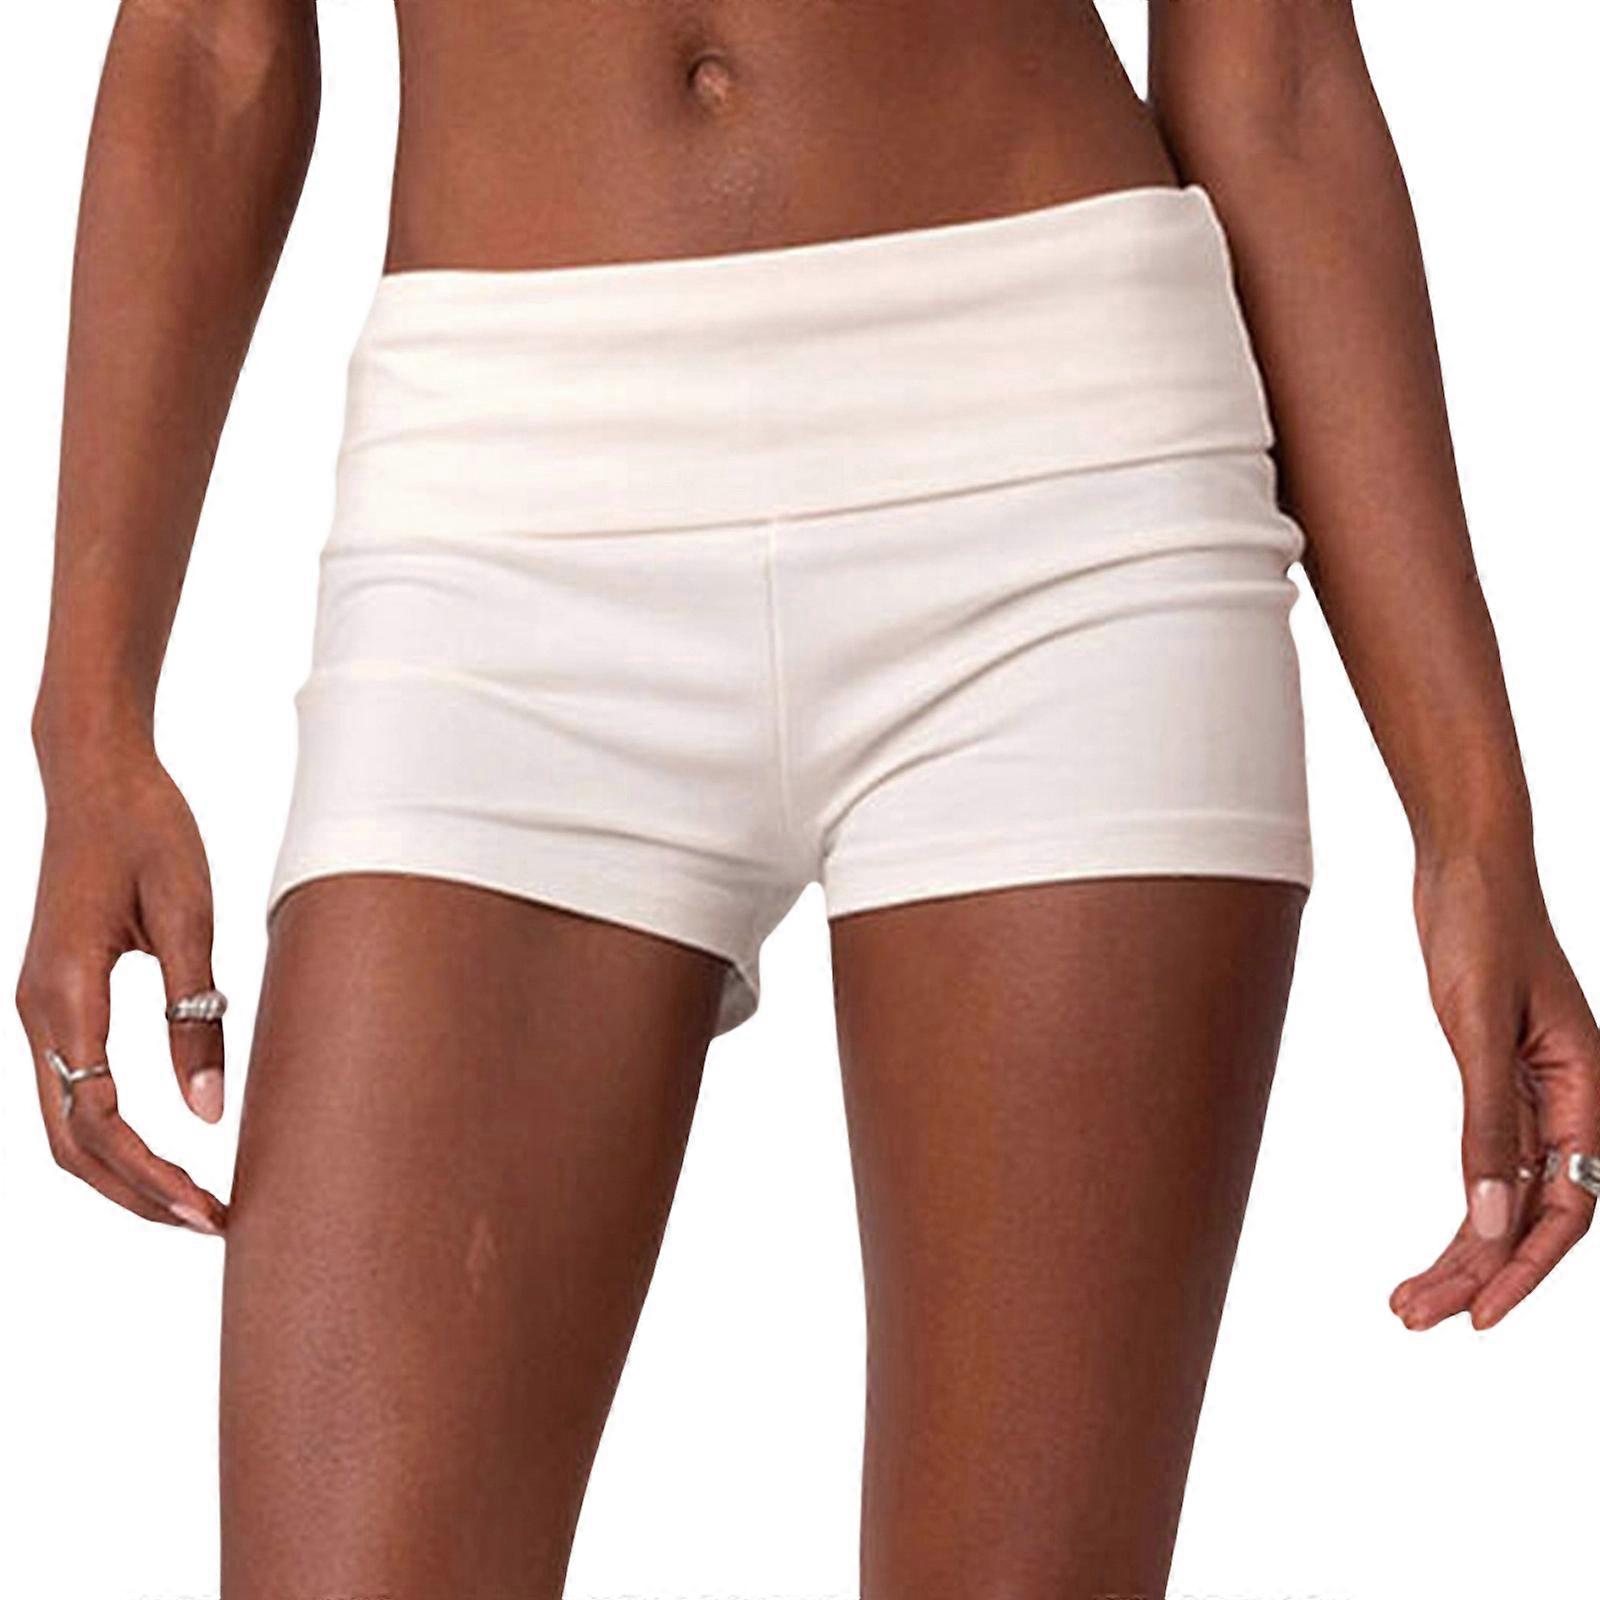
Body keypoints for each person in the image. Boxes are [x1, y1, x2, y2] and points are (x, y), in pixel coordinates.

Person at [17, 2, 1599, 1595]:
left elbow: (1278, 73)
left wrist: (1475, 828)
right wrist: (90, 726)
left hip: (1057, 482)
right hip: (499, 504)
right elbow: (208, 45)